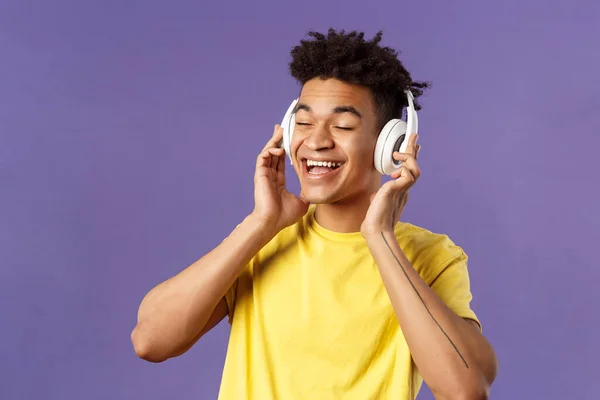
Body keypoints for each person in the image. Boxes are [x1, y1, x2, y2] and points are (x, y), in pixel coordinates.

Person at [131, 29, 498, 399]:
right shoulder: (263, 240)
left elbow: (466, 388)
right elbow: (150, 341)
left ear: (390, 145)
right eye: (304, 123)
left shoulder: (433, 256)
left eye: (342, 126)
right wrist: (261, 224)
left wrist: (382, 239)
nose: (317, 140)